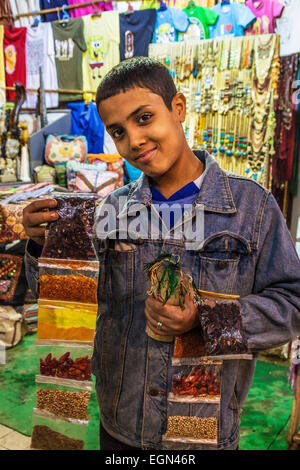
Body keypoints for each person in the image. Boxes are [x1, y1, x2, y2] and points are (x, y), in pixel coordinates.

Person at [23, 57, 300, 451]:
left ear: (179, 109)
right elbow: (63, 298)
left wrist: (204, 319)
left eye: (144, 118)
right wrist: (41, 245)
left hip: (203, 433)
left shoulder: (250, 208)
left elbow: (292, 303)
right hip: (123, 424)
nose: (134, 141)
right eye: (118, 131)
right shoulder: (112, 212)